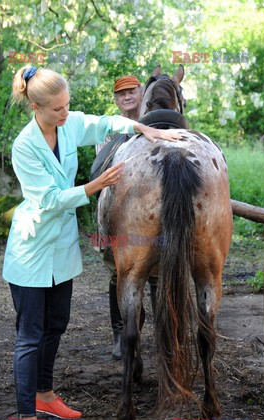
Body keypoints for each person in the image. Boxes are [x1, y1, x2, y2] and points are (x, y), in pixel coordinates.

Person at [2, 64, 182, 420]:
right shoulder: (24, 146)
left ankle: (45, 394)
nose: (66, 115)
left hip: (60, 248)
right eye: (57, 110)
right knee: (30, 337)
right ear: (36, 106)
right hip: (32, 249)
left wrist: (142, 128)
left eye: (68, 106)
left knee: (57, 324)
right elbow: (47, 200)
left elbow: (102, 123)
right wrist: (95, 186)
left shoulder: (67, 124)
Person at [95, 75, 158, 360]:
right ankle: (120, 333)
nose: (127, 97)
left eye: (132, 91)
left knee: (159, 271)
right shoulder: (108, 131)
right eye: (121, 94)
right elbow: (106, 170)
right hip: (121, 208)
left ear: (142, 92)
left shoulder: (157, 123)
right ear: (115, 100)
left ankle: (162, 334)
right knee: (116, 269)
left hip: (152, 209)